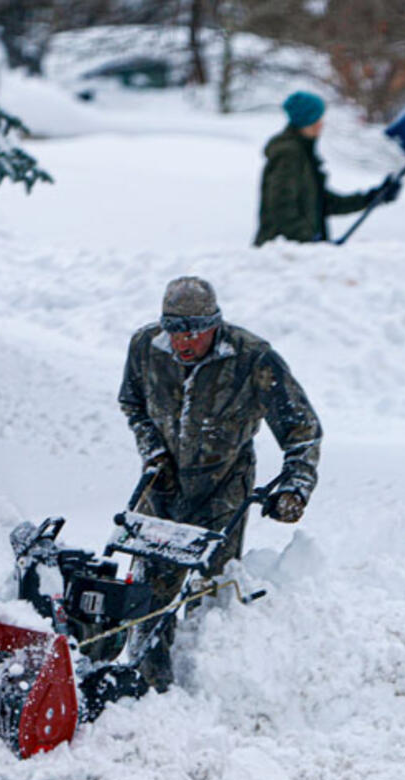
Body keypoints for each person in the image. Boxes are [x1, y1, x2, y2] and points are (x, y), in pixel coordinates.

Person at [118, 275, 322, 688]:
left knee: (208, 589)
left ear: (215, 323)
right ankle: (147, 681)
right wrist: (153, 452)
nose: (183, 342)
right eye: (174, 331)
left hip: (223, 486)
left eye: (194, 331)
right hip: (162, 483)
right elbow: (132, 404)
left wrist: (294, 485)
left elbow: (303, 429)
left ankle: (205, 682)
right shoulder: (145, 348)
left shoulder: (253, 358)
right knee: (149, 589)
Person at [253, 90, 402, 246]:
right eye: (316, 119)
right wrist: (308, 239)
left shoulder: (304, 153)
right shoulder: (289, 154)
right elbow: (280, 206)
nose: (320, 124)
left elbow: (324, 202)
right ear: (304, 121)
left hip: (296, 252)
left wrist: (374, 197)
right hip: (282, 254)